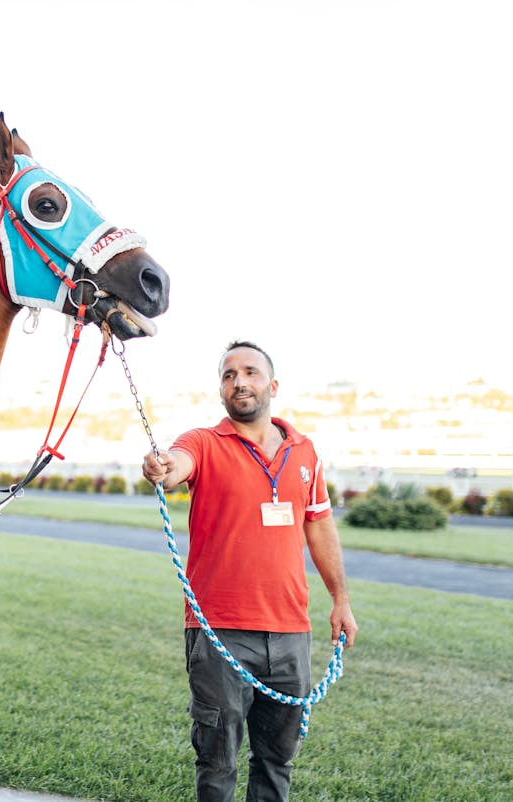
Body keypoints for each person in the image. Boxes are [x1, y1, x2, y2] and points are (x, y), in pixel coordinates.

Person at [141, 340, 357, 802]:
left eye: (250, 372)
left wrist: (341, 600)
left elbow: (319, 527)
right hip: (219, 631)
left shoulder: (306, 452)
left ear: (272, 385)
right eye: (228, 375)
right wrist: (163, 466)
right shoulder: (203, 442)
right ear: (221, 390)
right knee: (217, 762)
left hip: (290, 632)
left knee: (278, 761)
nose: (240, 381)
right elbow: (178, 463)